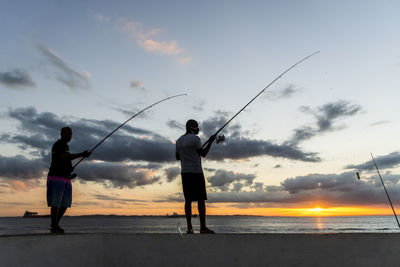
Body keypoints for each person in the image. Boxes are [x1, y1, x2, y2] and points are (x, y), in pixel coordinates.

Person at [47, 127, 90, 234]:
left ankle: (55, 224)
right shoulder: (59, 144)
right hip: (56, 177)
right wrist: (81, 154)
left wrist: (69, 174)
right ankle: (54, 226)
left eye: (71, 134)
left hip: (65, 178)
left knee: (65, 204)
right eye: (67, 133)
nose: (70, 135)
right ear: (62, 134)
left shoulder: (66, 146)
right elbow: (64, 157)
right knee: (56, 203)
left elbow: (65, 160)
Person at [175, 119, 216, 234]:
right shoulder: (196, 139)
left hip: (185, 173)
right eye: (196, 127)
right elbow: (203, 154)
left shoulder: (179, 141)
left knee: (188, 200)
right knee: (201, 200)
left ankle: (189, 228)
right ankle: (203, 228)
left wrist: (189, 153)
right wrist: (211, 141)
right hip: (196, 172)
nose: (198, 129)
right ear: (192, 127)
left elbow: (178, 157)